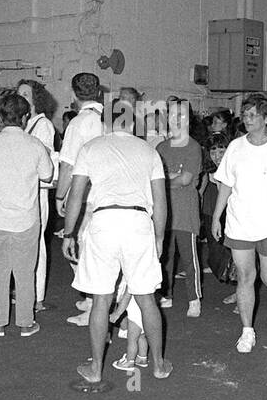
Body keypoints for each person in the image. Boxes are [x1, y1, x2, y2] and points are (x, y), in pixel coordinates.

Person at [62, 100, 172, 382]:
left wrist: (68, 232)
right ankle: (159, 364)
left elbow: (75, 195)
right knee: (147, 299)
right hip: (138, 223)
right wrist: (160, 237)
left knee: (101, 300)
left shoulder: (90, 148)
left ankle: (95, 369)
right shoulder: (149, 151)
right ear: (133, 122)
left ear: (106, 122)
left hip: (103, 223)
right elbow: (161, 200)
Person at [211, 93, 267, 354]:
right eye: (245, 114)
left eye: (253, 115)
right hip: (240, 223)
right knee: (245, 277)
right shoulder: (236, 147)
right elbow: (226, 184)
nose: (247, 119)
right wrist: (218, 215)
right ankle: (247, 331)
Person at [0, 93, 53, 336]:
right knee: (26, 273)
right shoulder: (34, 144)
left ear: (1, 116)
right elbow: (47, 175)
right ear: (25, 117)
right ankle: (26, 323)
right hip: (26, 219)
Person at [56, 72, 106, 315]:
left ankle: (95, 308)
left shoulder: (78, 123)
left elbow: (67, 165)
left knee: (79, 248)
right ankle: (91, 301)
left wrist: (59, 195)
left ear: (73, 94)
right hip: (110, 192)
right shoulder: (111, 119)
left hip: (87, 195)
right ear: (98, 92)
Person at [155, 99, 203, 317]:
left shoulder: (194, 147)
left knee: (189, 258)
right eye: (172, 114)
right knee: (165, 256)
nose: (176, 119)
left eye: (181, 115)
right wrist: (171, 178)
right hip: (164, 210)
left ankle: (194, 299)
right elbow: (155, 179)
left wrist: (166, 179)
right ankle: (167, 294)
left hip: (185, 212)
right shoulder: (160, 148)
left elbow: (185, 179)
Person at [17, 78, 58, 312]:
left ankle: (38, 295)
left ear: (35, 99)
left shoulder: (42, 126)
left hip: (37, 192)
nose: (21, 97)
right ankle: (27, 290)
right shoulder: (25, 125)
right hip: (24, 192)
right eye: (18, 93)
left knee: (37, 244)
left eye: (26, 94)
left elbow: (41, 161)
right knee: (25, 244)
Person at [199, 133, 232, 285]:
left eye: (221, 151)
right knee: (217, 251)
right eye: (213, 152)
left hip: (238, 216)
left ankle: (241, 293)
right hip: (220, 212)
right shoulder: (213, 172)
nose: (217, 156)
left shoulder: (236, 167)